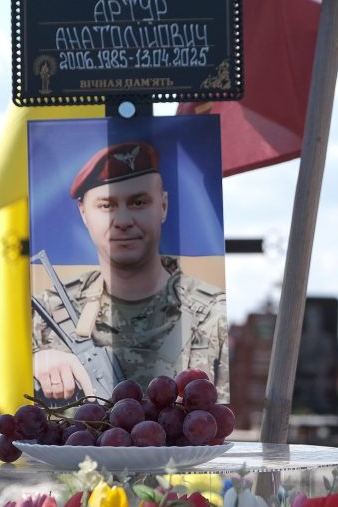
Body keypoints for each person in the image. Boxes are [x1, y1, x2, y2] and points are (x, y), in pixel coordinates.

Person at [32, 140, 229, 402]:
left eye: (138, 202)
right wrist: (36, 360)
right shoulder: (47, 312)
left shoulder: (214, 316)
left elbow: (225, 420)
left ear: (163, 206)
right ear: (83, 212)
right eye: (106, 205)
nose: (123, 221)